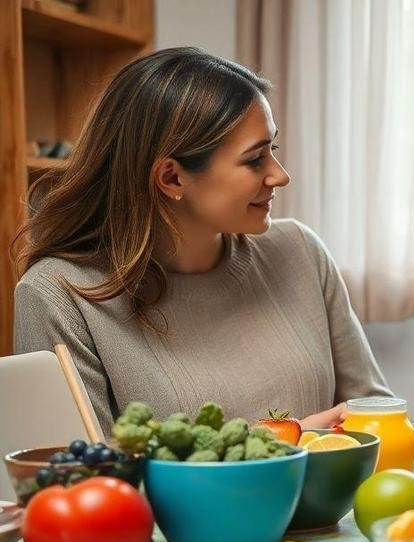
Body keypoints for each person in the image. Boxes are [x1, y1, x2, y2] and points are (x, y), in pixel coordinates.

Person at [13, 47, 392, 432]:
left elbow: (378, 412)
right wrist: (282, 449)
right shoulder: (58, 295)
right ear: (172, 178)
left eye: (272, 149)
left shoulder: (300, 251)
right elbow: (78, 477)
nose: (280, 175)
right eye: (254, 159)